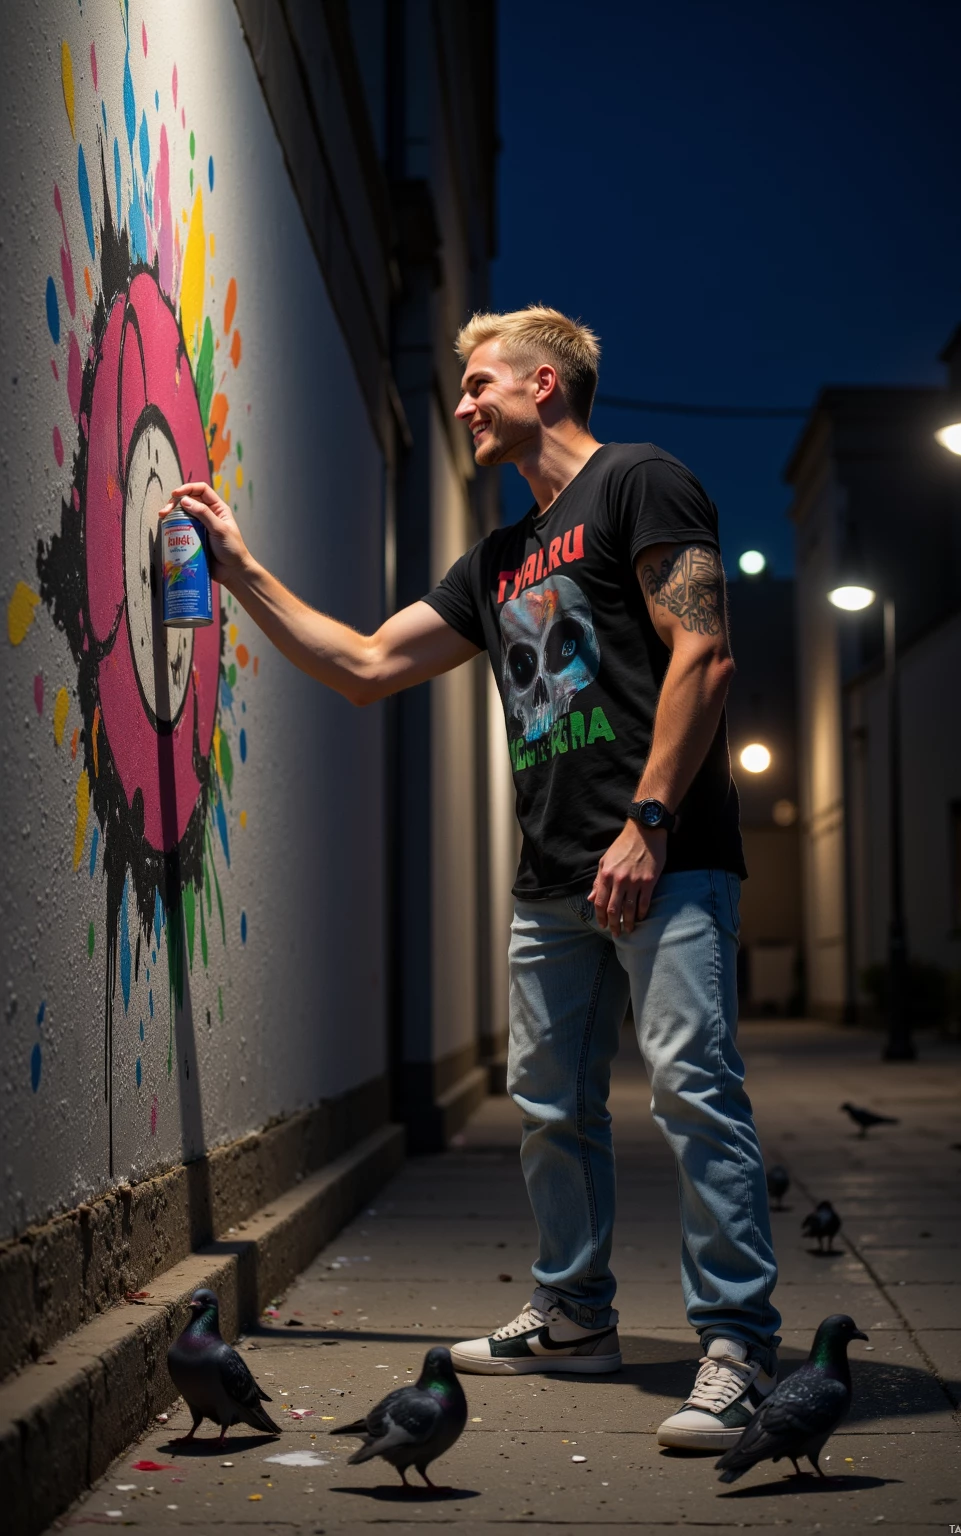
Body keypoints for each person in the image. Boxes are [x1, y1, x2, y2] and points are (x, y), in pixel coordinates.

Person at [162, 305, 781, 1451]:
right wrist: (240, 570)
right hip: (550, 877)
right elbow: (362, 666)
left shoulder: (642, 483)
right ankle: (574, 1316)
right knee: (550, 1111)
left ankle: (737, 1344)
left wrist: (645, 824)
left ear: (544, 385)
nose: (461, 404)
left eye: (479, 383)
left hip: (667, 856)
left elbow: (704, 652)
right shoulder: (495, 561)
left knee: (695, 1093)